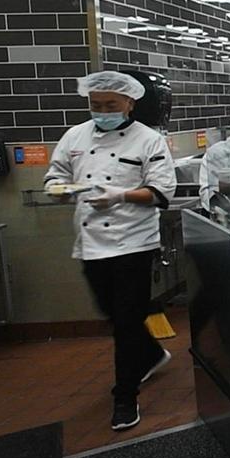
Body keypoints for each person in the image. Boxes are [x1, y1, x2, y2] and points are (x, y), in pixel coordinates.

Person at [44, 71, 178, 431]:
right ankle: (150, 354)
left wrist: (119, 195)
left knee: (125, 321)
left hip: (134, 241)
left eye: (110, 105)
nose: (101, 111)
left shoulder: (148, 141)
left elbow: (163, 191)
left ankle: (125, 397)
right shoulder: (74, 136)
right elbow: (54, 175)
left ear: (129, 104)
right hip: (90, 243)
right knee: (111, 311)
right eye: (95, 105)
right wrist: (59, 188)